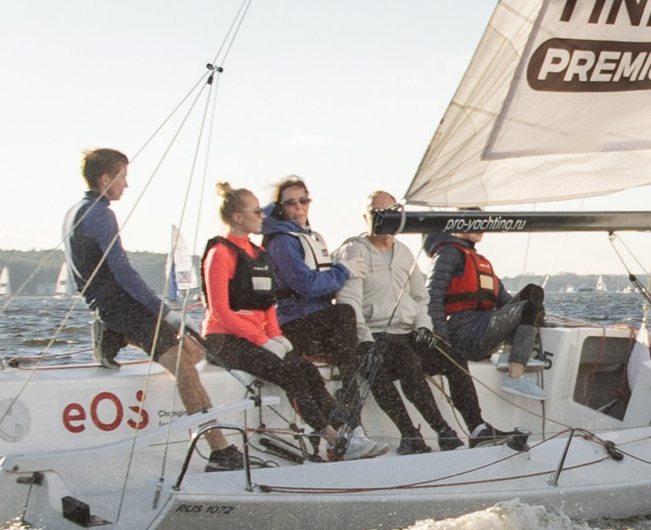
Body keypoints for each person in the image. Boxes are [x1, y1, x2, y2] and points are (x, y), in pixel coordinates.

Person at [63, 147, 240, 471]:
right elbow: (122, 270)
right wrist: (165, 311)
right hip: (119, 305)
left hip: (111, 306)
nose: (126, 185)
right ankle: (219, 450)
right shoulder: (101, 214)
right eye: (123, 177)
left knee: (195, 350)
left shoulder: (77, 210)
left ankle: (112, 334)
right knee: (184, 369)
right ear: (106, 179)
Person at [336, 191, 505, 453]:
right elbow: (349, 303)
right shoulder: (354, 251)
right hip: (377, 336)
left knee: (453, 358)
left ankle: (477, 428)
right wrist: (364, 339)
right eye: (376, 213)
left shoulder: (404, 253)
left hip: (409, 333)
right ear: (365, 217)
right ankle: (440, 433)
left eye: (390, 212)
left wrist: (424, 327)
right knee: (408, 361)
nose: (383, 218)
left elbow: (420, 297)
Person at [200, 184, 346, 457]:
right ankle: (331, 436)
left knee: (307, 370)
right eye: (256, 211)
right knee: (290, 373)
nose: (263, 216)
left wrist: (277, 336)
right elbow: (220, 310)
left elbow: (267, 305)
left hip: (260, 338)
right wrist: (262, 340)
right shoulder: (220, 253)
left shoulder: (259, 254)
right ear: (237, 218)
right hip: (224, 339)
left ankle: (347, 432)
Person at [259, 177, 375, 455]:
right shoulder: (281, 243)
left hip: (319, 320)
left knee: (361, 341)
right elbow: (306, 285)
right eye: (291, 202)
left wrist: (340, 270)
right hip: (295, 323)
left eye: (303, 200)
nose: (299, 207)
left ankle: (352, 422)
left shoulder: (311, 236)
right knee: (345, 316)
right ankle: (353, 424)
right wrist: (343, 271)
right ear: (280, 207)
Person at [427, 228, 548, 401]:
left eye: (483, 224)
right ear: (457, 226)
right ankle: (515, 375)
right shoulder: (448, 253)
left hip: (482, 327)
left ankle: (508, 354)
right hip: (464, 335)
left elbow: (505, 301)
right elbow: (432, 297)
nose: (480, 229)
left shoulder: (479, 260)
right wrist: (441, 339)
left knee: (532, 293)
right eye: (473, 224)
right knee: (528, 307)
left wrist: (540, 318)